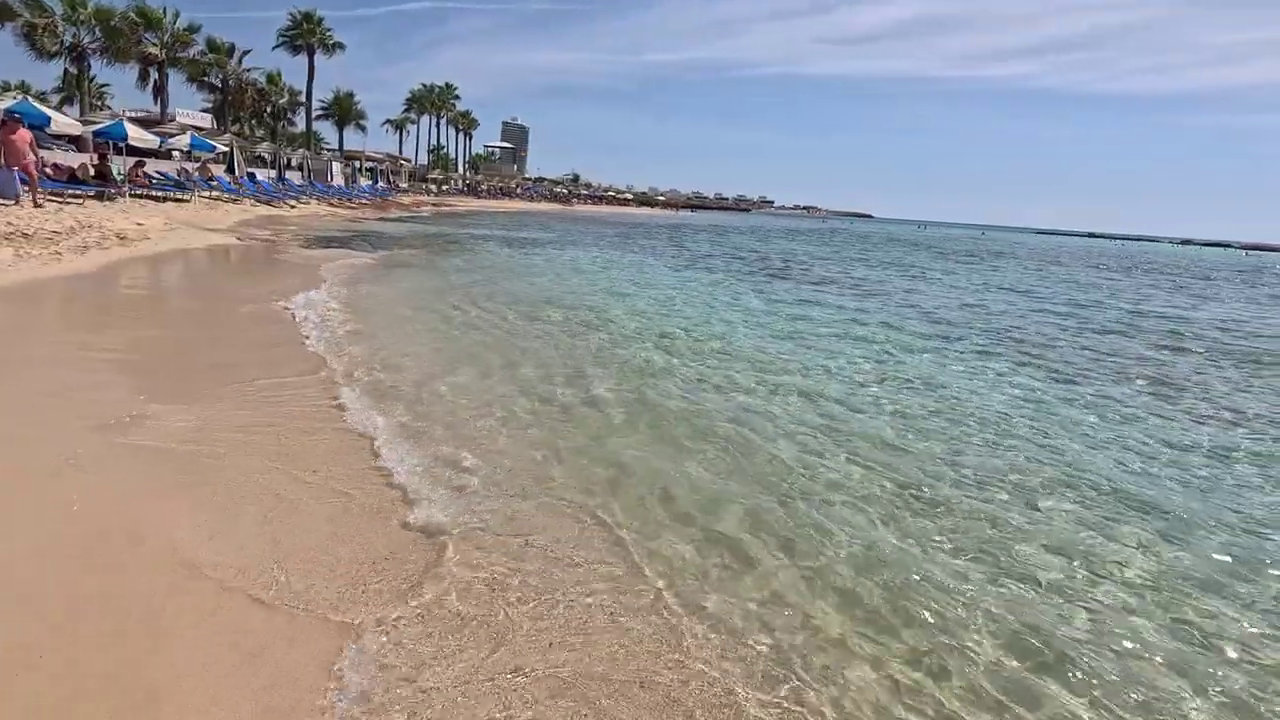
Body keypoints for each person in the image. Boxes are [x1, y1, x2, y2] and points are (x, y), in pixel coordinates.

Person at [1, 112, 43, 207]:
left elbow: (33, 147)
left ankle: (35, 200)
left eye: (18, 122)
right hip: (11, 163)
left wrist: (38, 159)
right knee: (13, 180)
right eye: (12, 122)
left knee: (34, 176)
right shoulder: (3, 133)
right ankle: (16, 198)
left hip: (27, 161)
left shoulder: (27, 133)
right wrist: (1, 161)